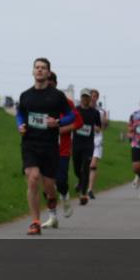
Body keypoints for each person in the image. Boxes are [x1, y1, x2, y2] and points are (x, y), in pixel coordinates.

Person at [17, 58, 73, 234]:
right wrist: (20, 125)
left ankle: (52, 198)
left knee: (49, 186)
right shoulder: (25, 95)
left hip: (49, 145)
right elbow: (20, 114)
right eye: (37, 67)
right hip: (30, 143)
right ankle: (35, 221)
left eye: (43, 68)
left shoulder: (56, 96)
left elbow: (71, 115)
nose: (40, 70)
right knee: (32, 178)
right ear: (33, 71)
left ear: (48, 73)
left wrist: (57, 121)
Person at [48, 72, 80, 223]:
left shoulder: (66, 102)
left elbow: (78, 122)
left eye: (50, 82)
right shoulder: (38, 102)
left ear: (55, 83)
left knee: (60, 181)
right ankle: (52, 216)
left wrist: (61, 129)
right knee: (47, 185)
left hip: (63, 148)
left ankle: (65, 197)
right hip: (44, 147)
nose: (47, 84)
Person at [73, 88, 102, 204]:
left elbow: (99, 127)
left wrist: (96, 128)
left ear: (90, 98)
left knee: (85, 168)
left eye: (87, 97)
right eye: (83, 97)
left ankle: (83, 194)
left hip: (88, 145)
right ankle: (80, 181)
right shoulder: (76, 110)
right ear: (81, 98)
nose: (85, 99)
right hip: (76, 143)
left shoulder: (94, 112)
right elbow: (70, 121)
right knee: (76, 168)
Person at [87, 88, 109, 199]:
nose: (93, 98)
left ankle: (90, 189)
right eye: (91, 95)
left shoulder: (101, 111)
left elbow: (104, 127)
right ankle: (82, 182)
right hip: (85, 140)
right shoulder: (82, 109)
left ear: (97, 98)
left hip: (97, 140)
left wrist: (105, 122)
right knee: (84, 165)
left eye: (95, 96)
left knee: (93, 165)